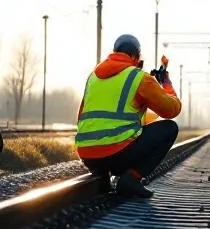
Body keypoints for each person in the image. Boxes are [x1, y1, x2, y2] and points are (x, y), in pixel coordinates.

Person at [74, 34, 181, 197]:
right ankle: (131, 179)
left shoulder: (93, 77)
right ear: (135, 56)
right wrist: (166, 83)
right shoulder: (138, 77)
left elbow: (83, 115)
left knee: (129, 136)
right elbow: (171, 110)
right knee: (169, 128)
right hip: (118, 156)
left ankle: (102, 176)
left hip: (88, 156)